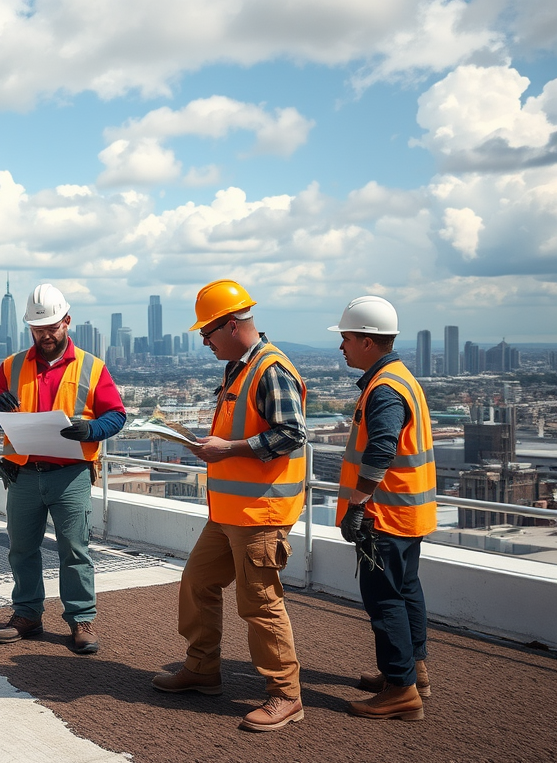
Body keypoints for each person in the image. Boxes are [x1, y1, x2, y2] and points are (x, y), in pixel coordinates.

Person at [152, 279, 308, 733]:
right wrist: (221, 448)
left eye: (207, 331)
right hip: (228, 513)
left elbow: (293, 433)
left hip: (260, 514)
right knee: (198, 581)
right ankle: (202, 670)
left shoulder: (270, 369)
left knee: (260, 603)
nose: (203, 340)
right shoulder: (239, 368)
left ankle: (286, 695)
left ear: (233, 324)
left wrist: (230, 448)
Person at [0, 283, 126, 655]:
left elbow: (116, 415)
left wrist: (92, 429)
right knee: (22, 549)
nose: (45, 336)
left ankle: (81, 620)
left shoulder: (92, 367)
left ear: (67, 322)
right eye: (37, 329)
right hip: (24, 475)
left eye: (52, 328)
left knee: (75, 550)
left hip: (70, 474)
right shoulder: (12, 366)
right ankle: (27, 614)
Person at [329, 295, 436, 721]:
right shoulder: (402, 378)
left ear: (369, 342)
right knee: (407, 590)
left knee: (384, 599)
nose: (341, 347)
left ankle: (400, 690)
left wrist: (358, 504)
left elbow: (382, 448)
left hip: (384, 517)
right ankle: (414, 673)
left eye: (347, 339)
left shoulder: (385, 388)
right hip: (409, 512)